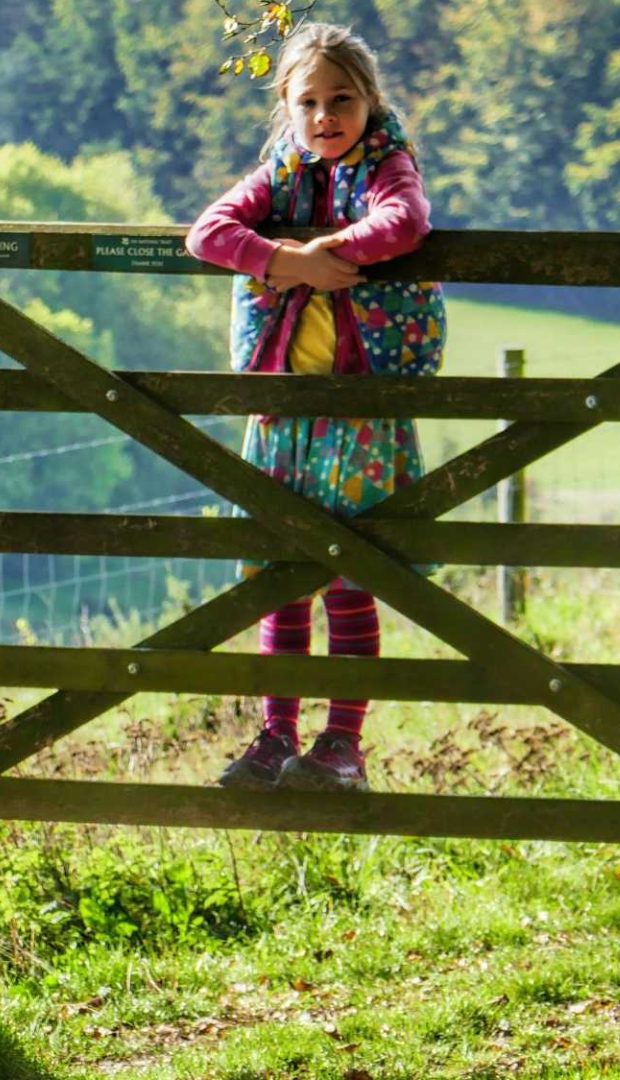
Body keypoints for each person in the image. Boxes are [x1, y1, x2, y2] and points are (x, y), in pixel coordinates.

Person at [185, 22, 445, 794]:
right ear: (287, 109)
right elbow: (207, 234)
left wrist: (337, 254)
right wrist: (288, 259)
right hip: (281, 410)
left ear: (370, 101)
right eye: (309, 102)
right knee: (279, 574)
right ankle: (274, 736)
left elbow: (406, 224)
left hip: (360, 410)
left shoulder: (387, 167)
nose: (326, 116)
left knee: (350, 578)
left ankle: (342, 743)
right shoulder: (279, 175)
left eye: (342, 100)